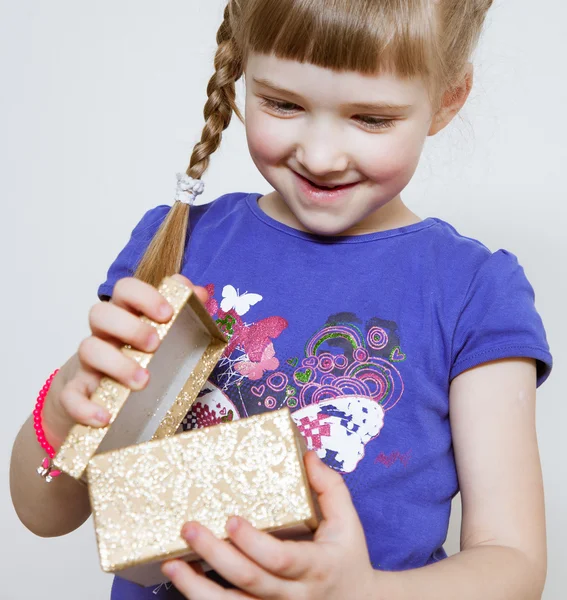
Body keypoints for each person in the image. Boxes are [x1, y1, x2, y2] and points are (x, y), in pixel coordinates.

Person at [10, 0, 553, 598]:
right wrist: (66, 407)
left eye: (371, 118)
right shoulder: (179, 243)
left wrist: (360, 592)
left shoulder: (471, 290)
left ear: (448, 98)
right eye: (283, 104)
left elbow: (513, 564)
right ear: (242, 73)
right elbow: (46, 514)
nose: (319, 156)